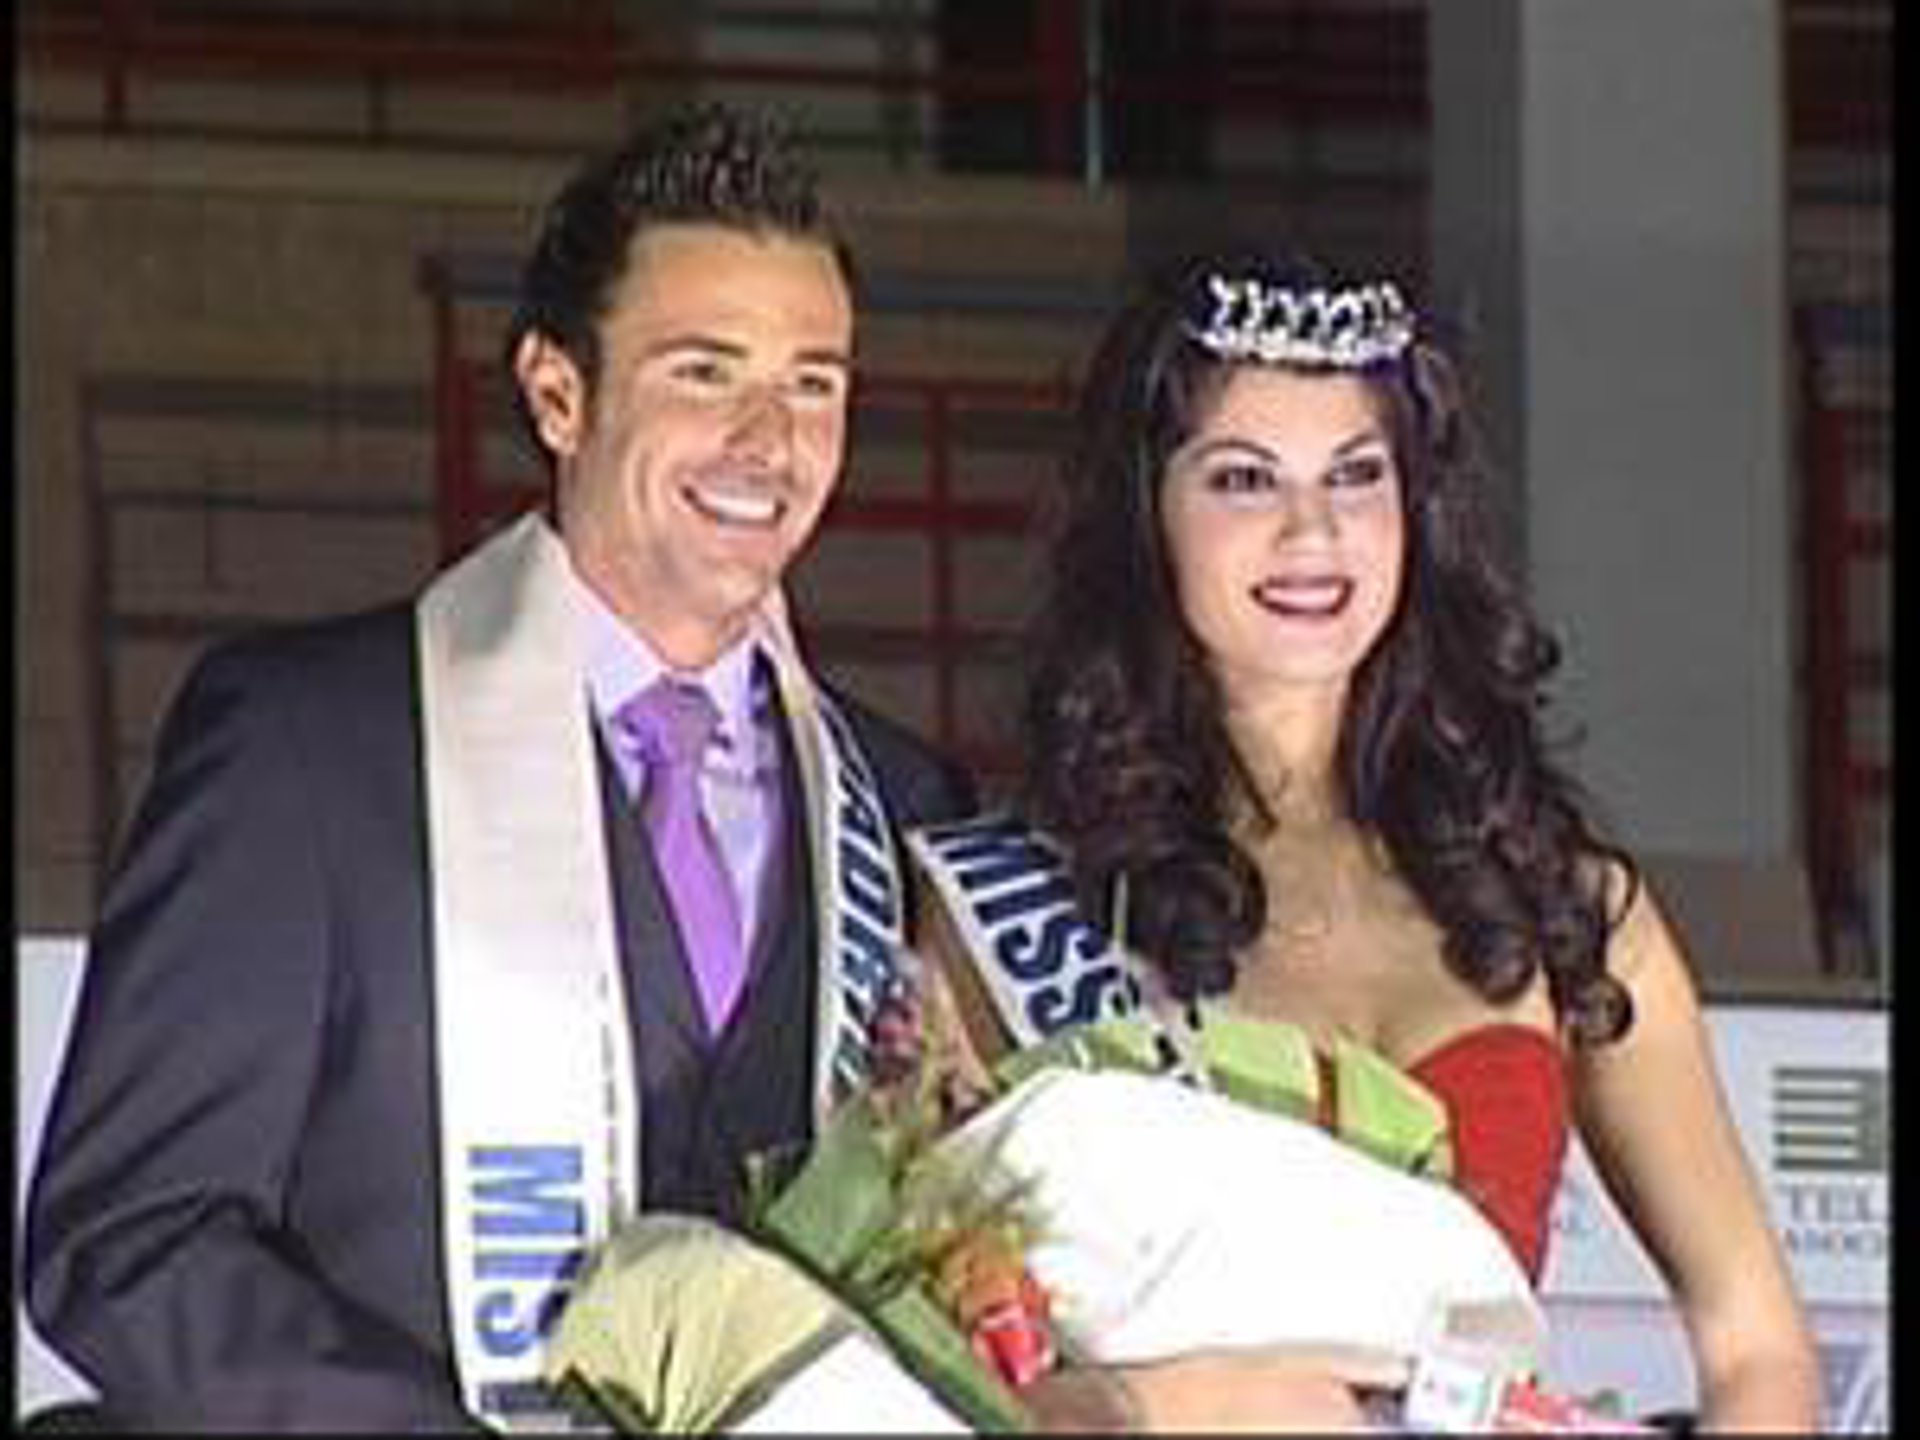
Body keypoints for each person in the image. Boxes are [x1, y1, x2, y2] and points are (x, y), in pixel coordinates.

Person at [24, 102, 977, 1431]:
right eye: (705, 373)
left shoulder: (903, 807)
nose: (770, 441)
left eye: (813, 383)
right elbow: (132, 1240)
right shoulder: (307, 747)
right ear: (557, 393)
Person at [906, 246, 1822, 1430]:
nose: (1313, 531)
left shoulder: (1557, 898)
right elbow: (940, 1363)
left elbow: (1757, 1347)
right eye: (1244, 479)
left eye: (1356, 475)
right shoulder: (1027, 907)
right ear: (1146, 515)